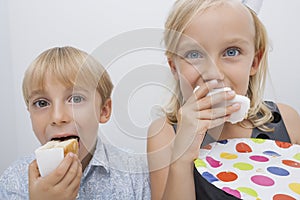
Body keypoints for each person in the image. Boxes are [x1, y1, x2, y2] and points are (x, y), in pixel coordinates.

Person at [147, 0, 300, 199]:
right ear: (174, 67)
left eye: (231, 52)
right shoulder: (165, 134)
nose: (214, 73)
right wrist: (182, 156)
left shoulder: (287, 121)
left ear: (254, 61)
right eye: (194, 54)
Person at [0, 46, 151, 199]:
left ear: (103, 110)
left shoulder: (135, 172)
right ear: (30, 114)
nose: (58, 117)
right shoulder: (15, 180)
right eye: (42, 103)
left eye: (76, 99)